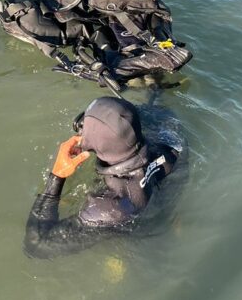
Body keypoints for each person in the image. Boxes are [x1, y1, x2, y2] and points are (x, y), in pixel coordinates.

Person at [24, 96, 182, 259]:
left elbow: (36, 245)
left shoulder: (107, 207)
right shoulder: (167, 149)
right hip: (155, 203)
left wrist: (57, 176)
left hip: (134, 238)